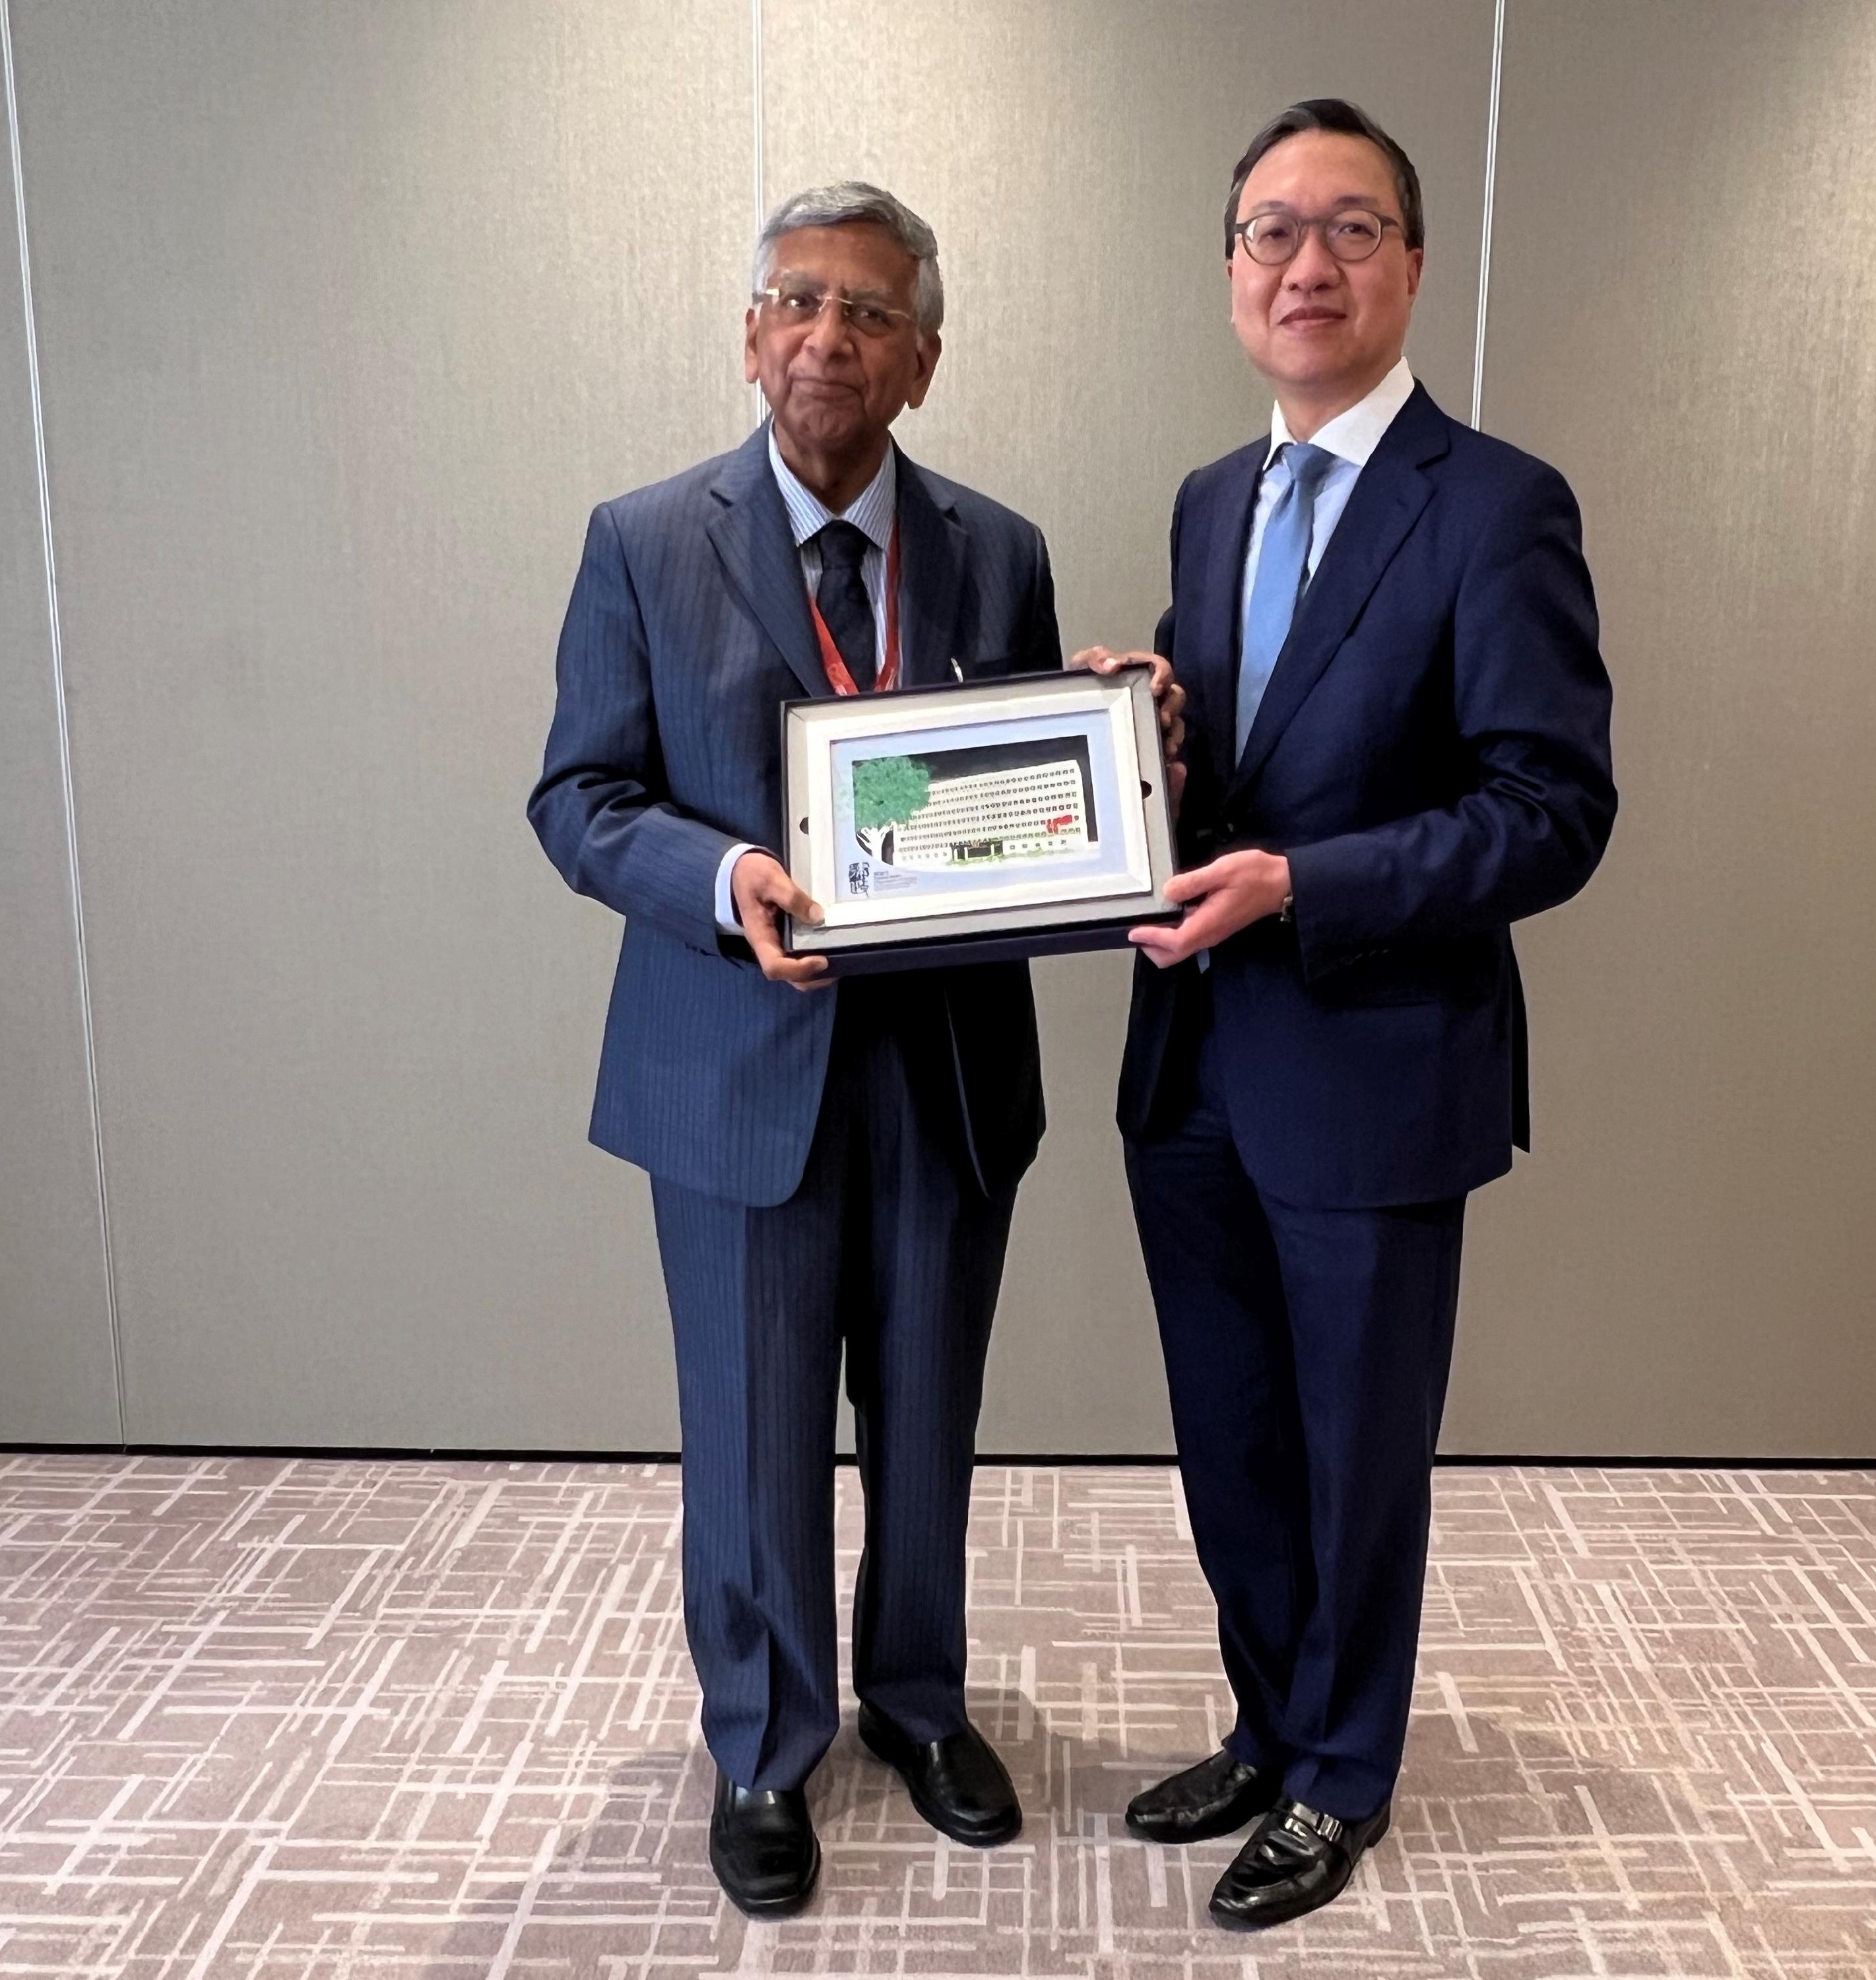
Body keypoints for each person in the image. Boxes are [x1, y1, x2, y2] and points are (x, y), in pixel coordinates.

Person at [529, 181, 1176, 1917]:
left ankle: (917, 1703)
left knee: (928, 1418)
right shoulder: (642, 540)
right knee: (747, 1430)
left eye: (872, 313)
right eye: (800, 303)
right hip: (738, 1069)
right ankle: (759, 1739)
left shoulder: (1001, 549)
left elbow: (1049, 801)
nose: (831, 337)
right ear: (752, 336)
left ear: (925, 361)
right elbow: (579, 800)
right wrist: (724, 872)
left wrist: (1128, 739)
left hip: (948, 1072)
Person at [1091, 100, 1617, 1929]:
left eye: (1349, 230)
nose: (1304, 266)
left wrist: (1308, 885)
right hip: (1196, 1064)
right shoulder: (1211, 499)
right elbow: (1226, 770)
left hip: (1378, 1070)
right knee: (1232, 1429)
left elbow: (1553, 809)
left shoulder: (1495, 506)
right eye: (1268, 234)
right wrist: (1135, 742)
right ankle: (1267, 1720)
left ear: (1411, 261)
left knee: (1355, 1442)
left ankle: (1343, 1774)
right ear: (1230, 271)